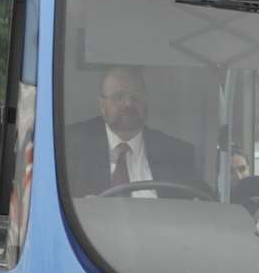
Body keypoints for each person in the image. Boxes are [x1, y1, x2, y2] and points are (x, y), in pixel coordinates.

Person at [64, 66, 203, 198]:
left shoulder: (176, 153)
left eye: (135, 97)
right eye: (118, 97)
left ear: (145, 102)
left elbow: (205, 201)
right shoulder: (70, 145)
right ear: (102, 105)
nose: (128, 103)